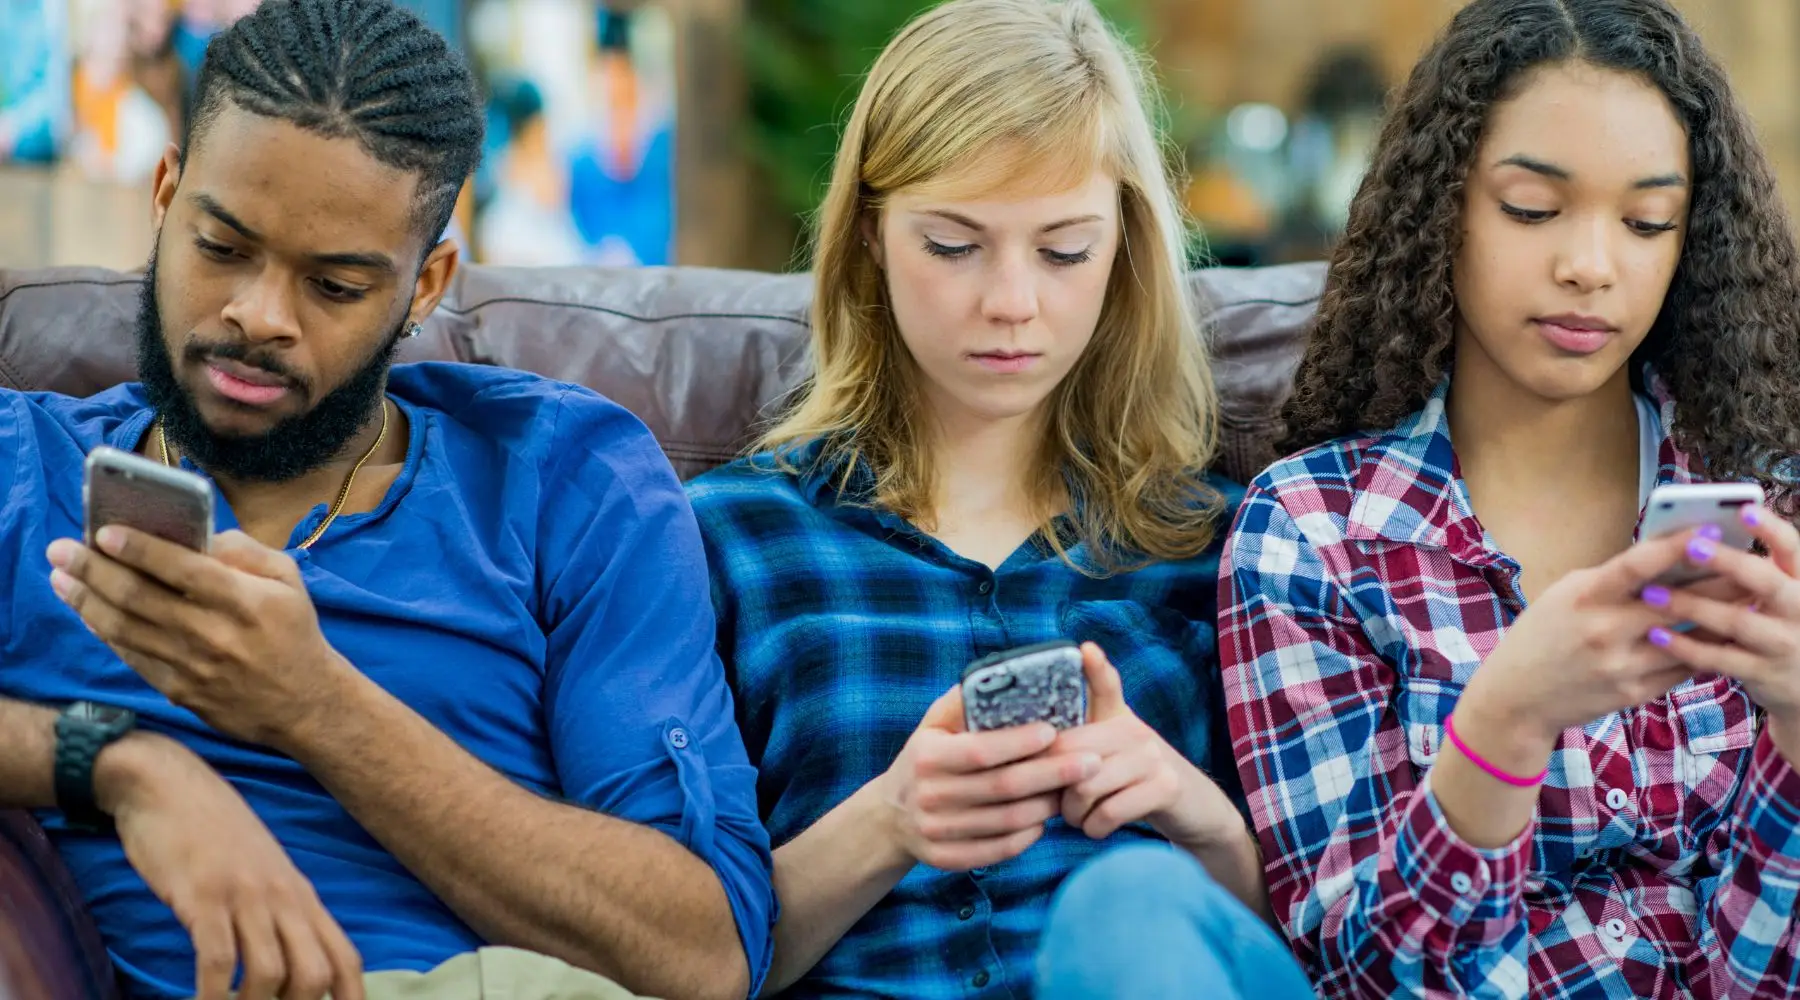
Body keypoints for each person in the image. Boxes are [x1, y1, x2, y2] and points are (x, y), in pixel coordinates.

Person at [0, 2, 773, 999]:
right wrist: (119, 763)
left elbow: (705, 952)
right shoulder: (26, 469)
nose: (256, 316)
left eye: (332, 286)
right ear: (165, 195)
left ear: (426, 284)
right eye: (222, 247)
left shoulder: (561, 481)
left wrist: (316, 705)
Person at [685, 1, 1299, 997]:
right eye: (953, 244)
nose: (1011, 300)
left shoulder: (1220, 542)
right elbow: (676, 955)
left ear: (1125, 252)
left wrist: (1196, 811)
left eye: (1063, 250)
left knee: (1132, 908)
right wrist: (888, 822)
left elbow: (1334, 946)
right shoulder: (736, 540)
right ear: (872, 239)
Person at [1219, 0, 1800, 997]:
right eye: (1533, 208)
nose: (1591, 264)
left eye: (1647, 221)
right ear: (1441, 206)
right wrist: (1504, 726)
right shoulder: (1312, 534)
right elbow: (1364, 975)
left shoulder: (1767, 515)